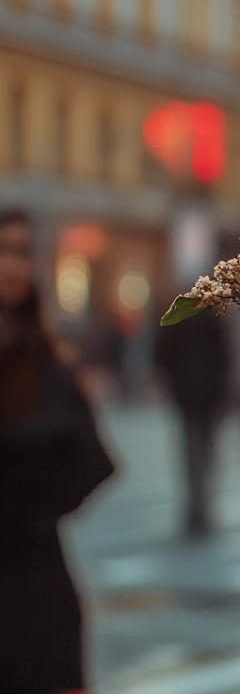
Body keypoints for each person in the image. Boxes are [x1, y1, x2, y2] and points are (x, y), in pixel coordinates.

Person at [0, 208, 116, 693]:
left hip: (34, 576)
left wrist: (32, 503)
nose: (12, 266)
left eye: (22, 253)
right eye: (3, 251)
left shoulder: (47, 359)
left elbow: (93, 460)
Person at [154, 282, 234, 538]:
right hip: (210, 393)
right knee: (208, 449)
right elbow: (225, 357)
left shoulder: (176, 319)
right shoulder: (214, 319)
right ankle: (202, 500)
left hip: (186, 394)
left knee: (191, 448)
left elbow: (162, 356)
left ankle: (195, 500)